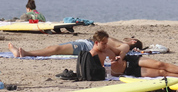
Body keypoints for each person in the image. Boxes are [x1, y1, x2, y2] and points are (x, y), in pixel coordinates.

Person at [89, 30, 178, 78]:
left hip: (130, 60)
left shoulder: (107, 47)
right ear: (96, 42)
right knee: (161, 72)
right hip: (128, 71)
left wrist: (119, 57)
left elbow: (122, 52)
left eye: (106, 43)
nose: (105, 45)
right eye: (103, 44)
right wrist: (108, 65)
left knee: (159, 64)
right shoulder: (92, 55)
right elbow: (95, 72)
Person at [8, 36, 142, 58]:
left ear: (133, 41)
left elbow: (122, 52)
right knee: (52, 47)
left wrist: (121, 56)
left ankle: (24, 53)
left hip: (87, 45)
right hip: (86, 43)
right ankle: (25, 52)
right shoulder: (121, 43)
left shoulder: (124, 45)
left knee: (55, 49)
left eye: (131, 38)